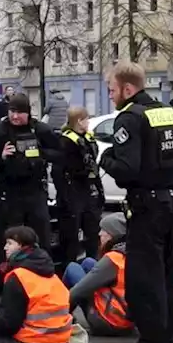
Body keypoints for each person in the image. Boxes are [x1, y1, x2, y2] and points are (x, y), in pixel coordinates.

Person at [99, 62, 173, 343]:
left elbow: (127, 169)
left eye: (111, 89)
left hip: (147, 209)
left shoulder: (129, 117)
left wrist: (105, 157)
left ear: (127, 89)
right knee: (168, 281)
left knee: (145, 285)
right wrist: (167, 169)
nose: (110, 94)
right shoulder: (167, 112)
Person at [0, 93, 59, 254]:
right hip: (10, 194)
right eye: (11, 111)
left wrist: (41, 153)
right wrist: (1, 156)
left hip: (35, 193)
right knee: (10, 238)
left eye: (19, 112)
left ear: (28, 113)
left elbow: (60, 152)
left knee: (39, 238)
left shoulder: (40, 129)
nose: (15, 116)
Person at [64, 213, 134, 337]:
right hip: (126, 319)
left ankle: (61, 316)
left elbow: (78, 292)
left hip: (108, 322)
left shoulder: (113, 259)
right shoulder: (132, 252)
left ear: (113, 235)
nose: (99, 234)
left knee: (72, 269)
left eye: (104, 231)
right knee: (88, 262)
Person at [54, 106, 104, 263]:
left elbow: (93, 165)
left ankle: (93, 265)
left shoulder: (88, 138)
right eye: (86, 119)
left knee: (92, 232)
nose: (89, 122)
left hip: (90, 191)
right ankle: (69, 267)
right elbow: (58, 172)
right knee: (71, 236)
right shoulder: (65, 141)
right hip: (73, 192)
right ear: (79, 121)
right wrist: (65, 195)